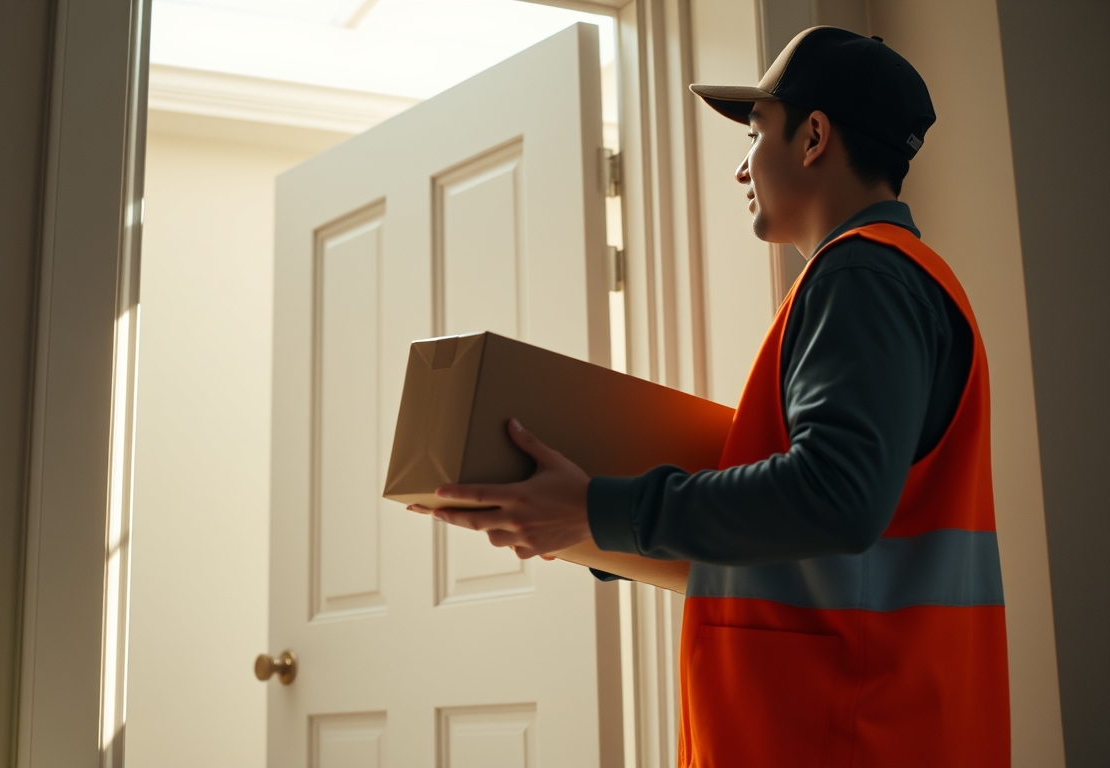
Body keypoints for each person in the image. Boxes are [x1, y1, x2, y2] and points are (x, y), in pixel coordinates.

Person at [409, 26, 1009, 767]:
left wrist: (599, 508)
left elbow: (835, 498)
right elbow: (815, 542)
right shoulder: (891, 279)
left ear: (813, 137)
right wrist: (585, 525)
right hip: (863, 725)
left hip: (842, 737)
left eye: (755, 133)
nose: (741, 167)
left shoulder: (862, 278)